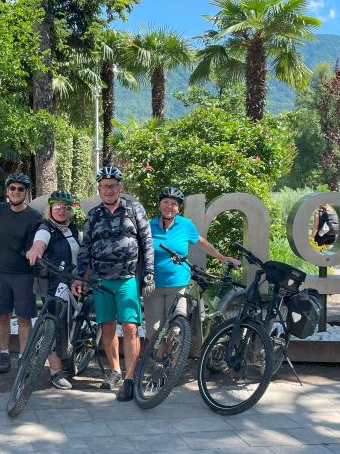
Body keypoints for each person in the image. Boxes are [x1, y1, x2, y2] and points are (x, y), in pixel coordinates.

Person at [72, 165, 154, 402]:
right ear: (98, 188)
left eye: (112, 186)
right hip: (100, 280)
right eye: (103, 186)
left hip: (127, 278)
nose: (108, 190)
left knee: (130, 327)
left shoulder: (134, 209)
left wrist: (148, 272)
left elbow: (146, 242)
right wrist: (80, 275)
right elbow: (85, 247)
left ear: (120, 187)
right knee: (107, 327)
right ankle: (115, 371)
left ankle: (130, 378)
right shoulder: (94, 215)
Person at [144, 187, 240, 347]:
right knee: (154, 331)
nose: (169, 206)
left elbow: (202, 242)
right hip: (154, 286)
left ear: (179, 208)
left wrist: (222, 257)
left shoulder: (185, 225)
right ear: (159, 205)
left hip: (179, 285)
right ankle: (156, 362)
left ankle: (172, 366)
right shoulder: (148, 226)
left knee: (176, 329)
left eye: (174, 204)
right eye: (166, 202)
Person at [26, 190, 81, 390]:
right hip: (53, 285)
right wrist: (35, 250)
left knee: (73, 322)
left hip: (75, 282)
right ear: (50, 207)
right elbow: (39, 243)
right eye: (57, 206)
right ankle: (56, 372)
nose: (62, 211)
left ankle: (70, 356)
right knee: (54, 326)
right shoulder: (46, 228)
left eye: (66, 207)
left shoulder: (73, 229)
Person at [0, 172, 42, 373]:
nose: (16, 192)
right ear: (7, 191)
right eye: (12, 188)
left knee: (23, 318)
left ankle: (24, 357)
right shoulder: (0, 210)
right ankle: (3, 354)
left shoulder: (34, 216)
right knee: (2, 316)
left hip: (23, 274)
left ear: (26, 192)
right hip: (0, 272)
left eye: (21, 189)